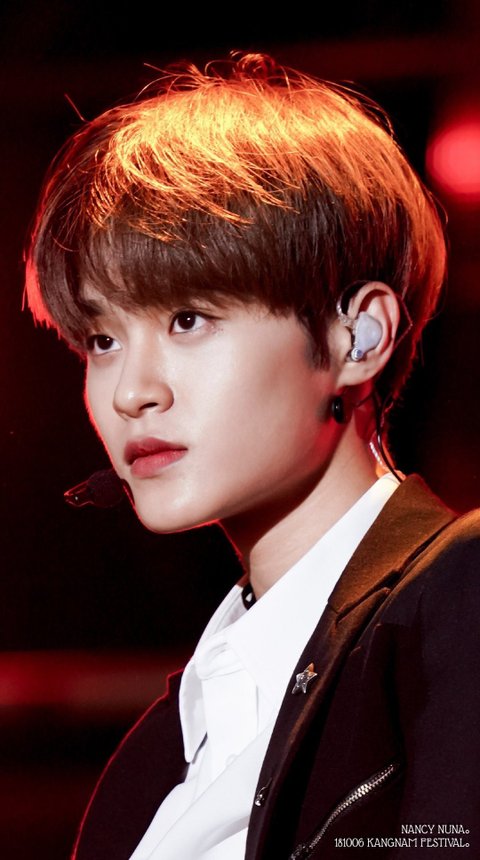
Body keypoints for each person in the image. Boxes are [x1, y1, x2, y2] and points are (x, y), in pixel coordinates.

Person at [25, 53, 480, 859]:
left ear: (358, 336)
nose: (132, 392)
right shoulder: (155, 759)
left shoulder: (457, 607)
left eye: (189, 320)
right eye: (101, 339)